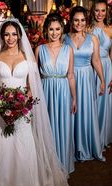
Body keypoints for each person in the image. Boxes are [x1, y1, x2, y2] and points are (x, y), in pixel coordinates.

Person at [0, 17, 69, 186]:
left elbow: (31, 87)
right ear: (1, 36)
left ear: (19, 35)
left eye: (13, 34)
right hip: (1, 112)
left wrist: (24, 106)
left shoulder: (28, 58)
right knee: (2, 148)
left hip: (23, 111)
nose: (10, 38)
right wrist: (1, 107)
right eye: (6, 34)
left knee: (24, 146)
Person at [35, 13, 76, 174]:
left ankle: (62, 163)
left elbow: (71, 75)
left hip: (63, 92)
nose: (54, 33)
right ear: (46, 30)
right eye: (51, 29)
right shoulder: (39, 49)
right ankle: (47, 165)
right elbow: (34, 76)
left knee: (63, 125)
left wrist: (74, 98)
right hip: (45, 91)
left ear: (62, 29)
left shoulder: (69, 50)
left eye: (57, 29)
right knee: (46, 127)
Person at [64, 6, 105, 161]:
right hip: (70, 78)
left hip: (87, 79)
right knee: (71, 111)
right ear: (71, 20)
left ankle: (86, 146)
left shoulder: (93, 38)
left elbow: (96, 60)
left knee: (86, 111)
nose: (79, 23)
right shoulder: (64, 38)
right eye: (76, 20)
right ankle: (72, 148)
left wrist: (102, 79)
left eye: (82, 20)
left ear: (86, 21)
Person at [89, 0, 112, 148]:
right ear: (93, 12)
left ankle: (103, 137)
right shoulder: (88, 28)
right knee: (93, 102)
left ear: (107, 12)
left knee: (105, 102)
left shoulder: (111, 29)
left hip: (108, 67)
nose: (100, 14)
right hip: (92, 67)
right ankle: (93, 139)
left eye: (103, 10)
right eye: (97, 10)